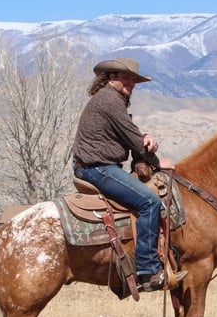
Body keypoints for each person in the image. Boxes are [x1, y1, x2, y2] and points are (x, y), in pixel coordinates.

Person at [71, 57, 186, 292]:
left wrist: (147, 139)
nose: (131, 83)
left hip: (98, 166)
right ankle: (147, 270)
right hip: (97, 168)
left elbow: (131, 136)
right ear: (112, 77)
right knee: (149, 202)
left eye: (134, 80)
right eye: (126, 78)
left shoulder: (112, 100)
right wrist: (156, 161)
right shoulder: (109, 100)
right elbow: (132, 137)